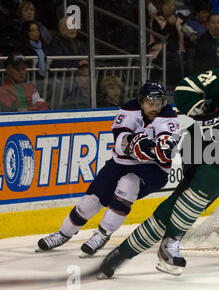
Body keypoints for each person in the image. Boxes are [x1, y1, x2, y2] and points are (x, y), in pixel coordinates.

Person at [97, 48, 219, 279]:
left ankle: (120, 255)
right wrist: (201, 112)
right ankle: (170, 243)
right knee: (208, 182)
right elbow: (186, 88)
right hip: (200, 142)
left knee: (179, 203)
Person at [37, 81, 180, 255]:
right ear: (141, 102)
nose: (155, 107)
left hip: (153, 169)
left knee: (128, 184)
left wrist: (164, 145)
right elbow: (120, 141)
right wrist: (134, 144)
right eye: (150, 103)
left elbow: (167, 140)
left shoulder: (168, 115)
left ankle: (102, 234)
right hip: (120, 164)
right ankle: (63, 234)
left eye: (159, 103)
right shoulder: (128, 109)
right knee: (89, 203)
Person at [147, 0, 186, 88]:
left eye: (172, 5)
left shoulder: (179, 20)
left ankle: (178, 88)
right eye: (167, 4)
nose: (170, 7)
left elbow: (183, 37)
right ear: (162, 6)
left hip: (177, 50)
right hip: (159, 50)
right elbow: (158, 38)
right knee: (173, 60)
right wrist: (169, 24)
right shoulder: (155, 20)